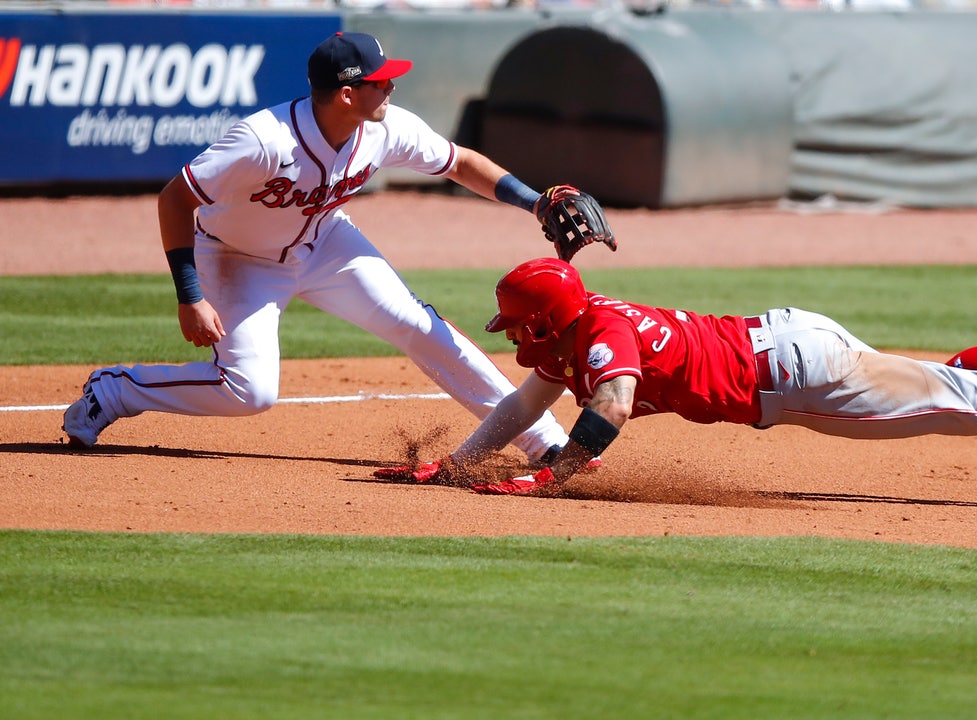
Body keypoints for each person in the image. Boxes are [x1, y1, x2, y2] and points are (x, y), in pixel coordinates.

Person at [61, 32, 608, 466]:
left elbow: (460, 162)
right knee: (249, 392)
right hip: (236, 258)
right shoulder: (262, 141)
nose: (391, 89)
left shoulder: (384, 127)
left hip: (326, 242)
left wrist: (535, 203)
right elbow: (175, 199)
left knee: (417, 324)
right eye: (381, 82)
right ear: (347, 92)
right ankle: (118, 390)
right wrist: (190, 294)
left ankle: (541, 441)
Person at [375, 258, 977, 494]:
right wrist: (458, 465)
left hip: (794, 378)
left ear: (543, 317)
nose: (511, 335)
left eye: (516, 321)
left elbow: (616, 406)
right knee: (941, 385)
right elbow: (524, 404)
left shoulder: (599, 335)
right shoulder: (572, 341)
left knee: (966, 407)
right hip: (785, 348)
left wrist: (557, 475)